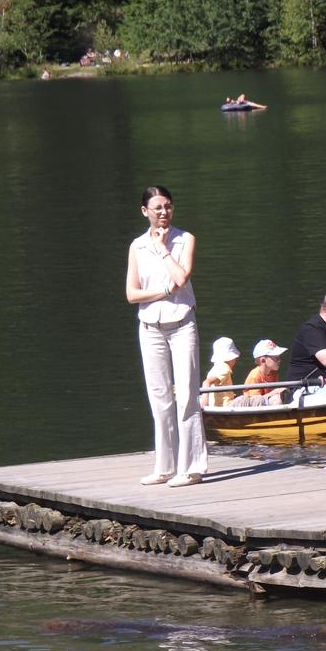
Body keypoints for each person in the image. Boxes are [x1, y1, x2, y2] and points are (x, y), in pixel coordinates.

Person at [125, 186, 207, 488]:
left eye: (168, 206)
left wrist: (162, 249)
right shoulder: (136, 246)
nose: (164, 213)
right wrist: (163, 293)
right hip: (149, 328)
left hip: (182, 324)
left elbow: (181, 277)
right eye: (157, 208)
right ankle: (165, 466)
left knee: (186, 395)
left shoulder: (185, 240)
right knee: (159, 398)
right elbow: (132, 294)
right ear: (145, 211)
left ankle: (192, 467)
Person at [230, 339, 289, 407]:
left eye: (279, 357)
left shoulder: (274, 373)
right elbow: (255, 401)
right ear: (263, 360)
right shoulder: (254, 376)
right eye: (276, 358)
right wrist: (275, 392)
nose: (279, 360)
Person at [201, 337, 240, 407]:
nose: (236, 360)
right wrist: (204, 401)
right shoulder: (224, 368)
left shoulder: (215, 368)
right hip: (226, 406)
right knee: (249, 399)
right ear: (230, 358)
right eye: (235, 358)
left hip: (219, 404)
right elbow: (206, 382)